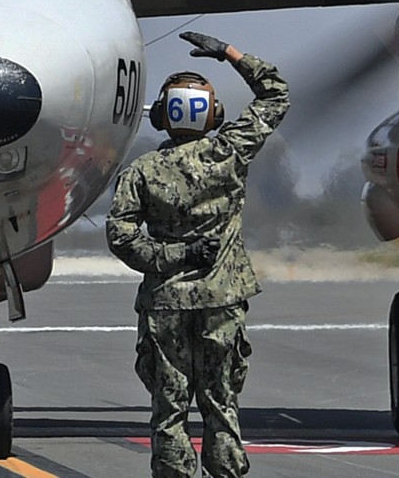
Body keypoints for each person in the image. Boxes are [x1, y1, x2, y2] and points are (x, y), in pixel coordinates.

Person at [106, 30, 289, 478]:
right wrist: (229, 54)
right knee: (221, 403)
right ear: (214, 115)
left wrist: (171, 256)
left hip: (165, 303)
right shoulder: (229, 152)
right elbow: (275, 93)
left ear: (163, 119)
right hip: (221, 303)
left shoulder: (142, 172)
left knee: (168, 409)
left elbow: (121, 236)